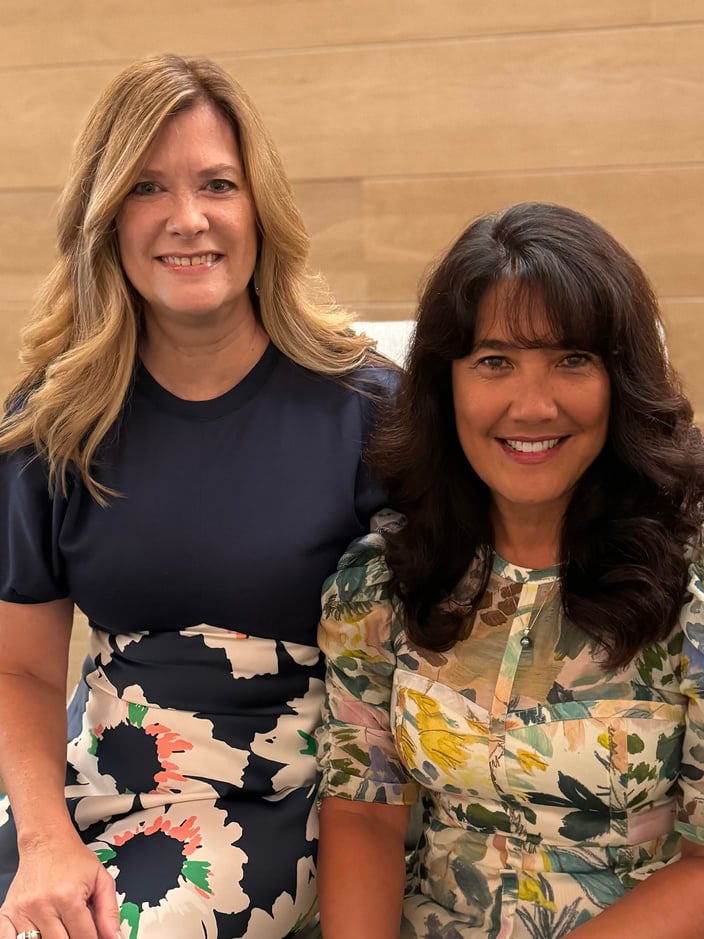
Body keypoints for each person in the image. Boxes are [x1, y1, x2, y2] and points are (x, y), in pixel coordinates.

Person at [0, 53, 395, 939]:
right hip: (96, 773)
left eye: (217, 184)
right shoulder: (53, 421)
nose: (188, 218)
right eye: (146, 188)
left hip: (277, 795)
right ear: (106, 219)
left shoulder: (369, 411)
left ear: (260, 208)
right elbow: (21, 668)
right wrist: (44, 840)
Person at [316, 201, 704, 938]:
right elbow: (365, 809)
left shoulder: (693, 574)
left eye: (572, 359)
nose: (532, 405)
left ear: (620, 379)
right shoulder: (382, 578)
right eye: (494, 362)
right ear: (446, 384)